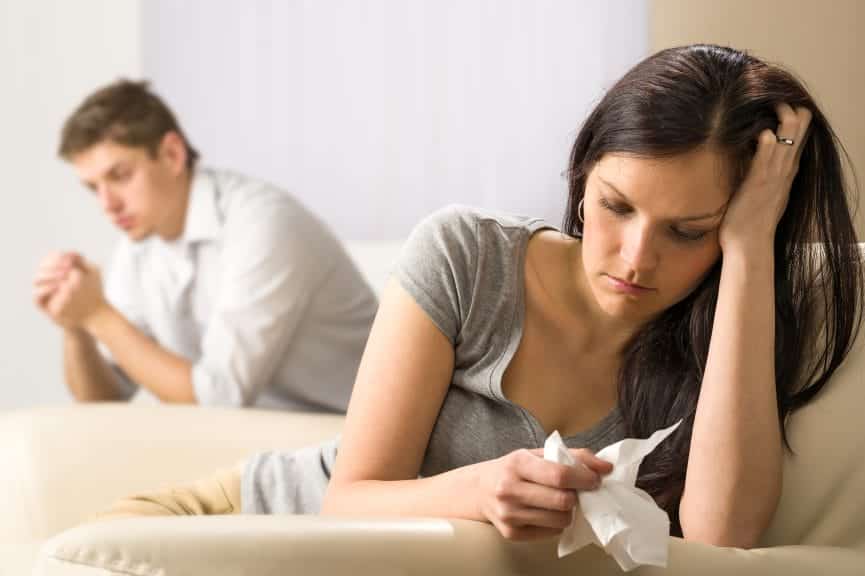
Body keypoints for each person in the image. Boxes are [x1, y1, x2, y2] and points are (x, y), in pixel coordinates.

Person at [94, 45, 863, 548]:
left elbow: (720, 538)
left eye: (689, 231)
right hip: (245, 525)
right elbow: (345, 500)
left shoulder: (719, 332)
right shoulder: (469, 255)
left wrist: (749, 249)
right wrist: (478, 490)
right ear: (581, 174)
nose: (636, 259)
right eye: (615, 207)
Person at [33, 80, 378, 411]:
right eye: (93, 188)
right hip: (254, 442)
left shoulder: (262, 223)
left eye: (120, 176)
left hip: (349, 437)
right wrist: (76, 324)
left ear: (172, 154)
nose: (107, 204)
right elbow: (104, 399)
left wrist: (98, 313)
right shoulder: (139, 245)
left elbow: (219, 399)